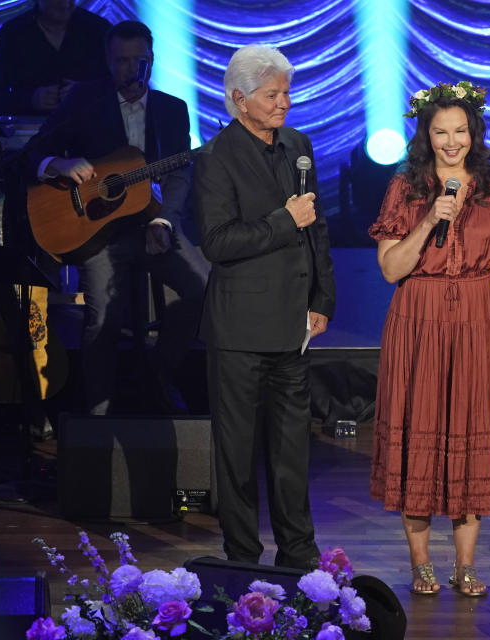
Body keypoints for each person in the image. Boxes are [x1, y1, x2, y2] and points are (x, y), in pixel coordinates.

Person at [368, 82, 490, 596]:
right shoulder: (406, 189)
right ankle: (421, 564)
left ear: (474, 132)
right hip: (419, 319)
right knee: (418, 436)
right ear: (426, 134)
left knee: (472, 435)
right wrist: (428, 221)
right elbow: (391, 270)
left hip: (482, 320)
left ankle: (465, 566)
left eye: (460, 131)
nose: (451, 142)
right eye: (441, 132)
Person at [193, 45, 335, 568]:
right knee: (236, 452)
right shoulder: (214, 158)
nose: (284, 103)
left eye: (286, 93)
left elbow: (317, 226)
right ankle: (242, 556)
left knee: (292, 450)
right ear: (239, 99)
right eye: (272, 95)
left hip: (293, 324)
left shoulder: (298, 145)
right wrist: (283, 219)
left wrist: (323, 298)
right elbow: (217, 242)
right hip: (238, 331)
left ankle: (299, 554)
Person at [24, 20, 208, 415]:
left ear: (151, 60)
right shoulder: (85, 102)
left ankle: (158, 371)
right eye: (121, 61)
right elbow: (33, 153)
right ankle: (97, 417)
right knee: (102, 320)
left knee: (201, 288)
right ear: (109, 62)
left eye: (138, 60)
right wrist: (60, 163)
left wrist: (163, 222)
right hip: (98, 230)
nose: (130, 69)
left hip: (154, 222)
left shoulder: (172, 110)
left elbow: (178, 174)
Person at [0, 0, 111, 116]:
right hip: (31, 135)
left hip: (91, 131)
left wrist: (87, 93)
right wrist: (31, 100)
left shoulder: (98, 29)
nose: (65, 4)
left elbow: (121, 86)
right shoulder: (12, 33)